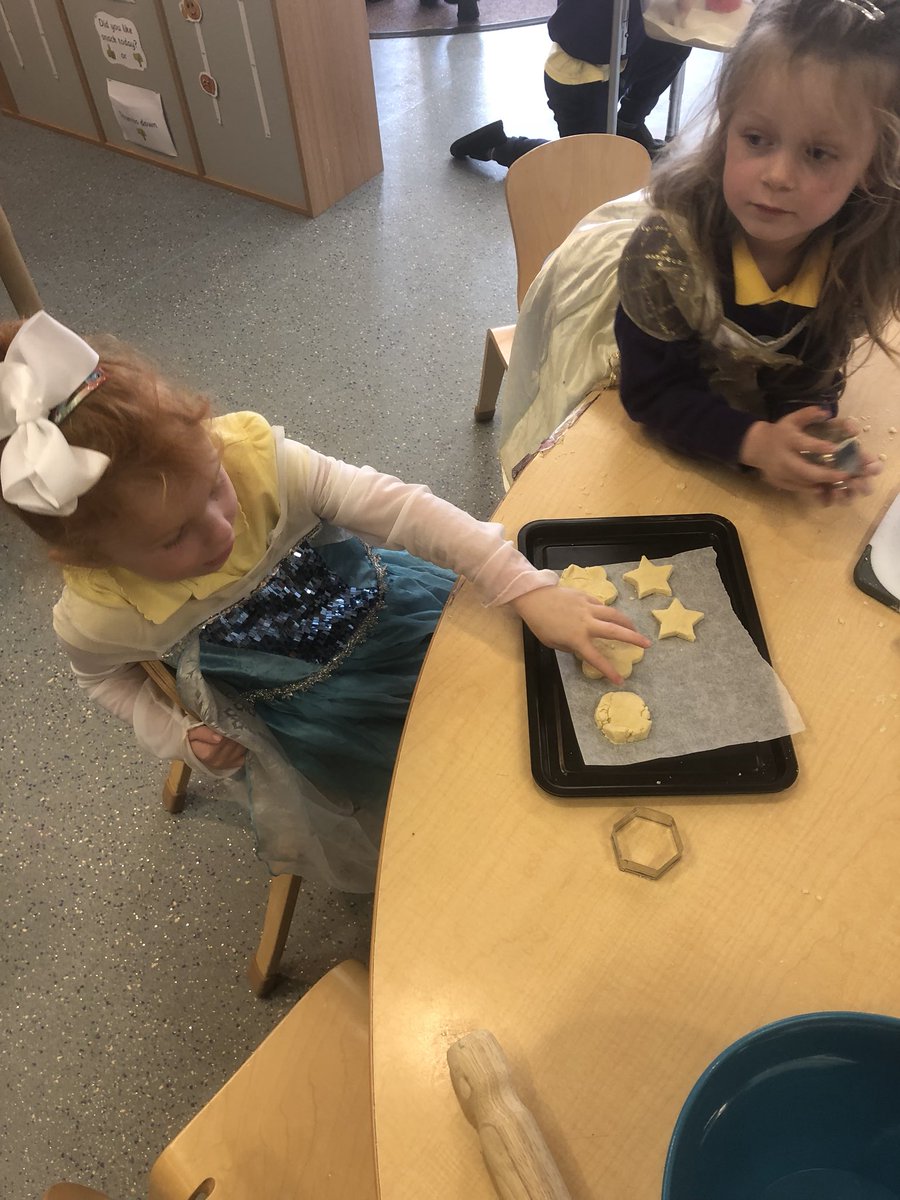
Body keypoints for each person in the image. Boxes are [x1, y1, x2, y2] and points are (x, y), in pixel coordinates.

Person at [0, 312, 648, 891]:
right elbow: (105, 681)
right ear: (92, 557)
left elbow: (405, 509)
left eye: (214, 485)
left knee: (514, 703)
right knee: (440, 791)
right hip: (316, 715)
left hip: (390, 609)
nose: (221, 530)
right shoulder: (101, 613)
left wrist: (524, 585)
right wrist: (177, 737)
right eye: (174, 537)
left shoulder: (264, 464)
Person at [498, 0, 898, 498]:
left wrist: (805, 432)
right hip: (631, 347)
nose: (777, 176)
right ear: (726, 128)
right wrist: (751, 441)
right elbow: (652, 393)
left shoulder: (857, 255)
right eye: (756, 139)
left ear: (873, 164)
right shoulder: (667, 252)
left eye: (818, 153)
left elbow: (805, 368)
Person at [449, 0, 691, 165]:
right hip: (581, 77)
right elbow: (585, 37)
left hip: (624, 52)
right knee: (584, 170)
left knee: (675, 42)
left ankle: (628, 125)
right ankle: (499, 146)